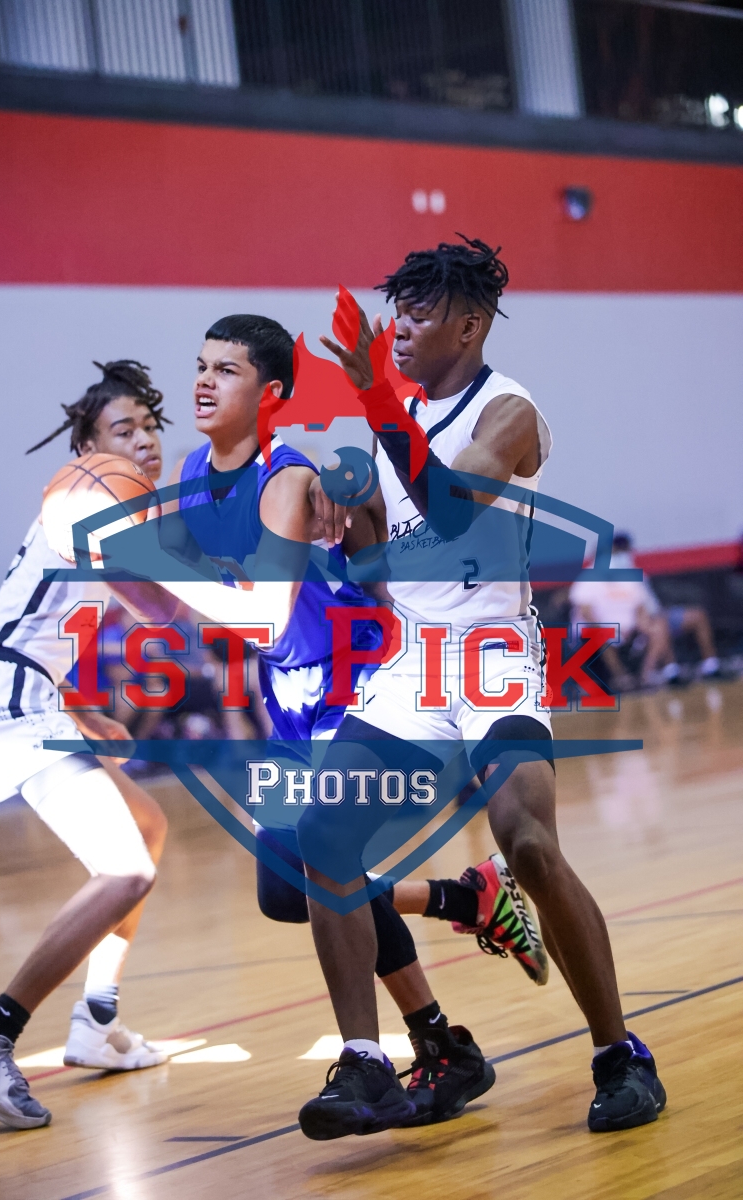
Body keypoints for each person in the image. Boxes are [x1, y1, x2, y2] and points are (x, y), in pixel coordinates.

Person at [110, 314, 547, 1130]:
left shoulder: (287, 479)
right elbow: (168, 609)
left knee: (315, 872)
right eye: (200, 365)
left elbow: (268, 617)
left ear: (271, 394)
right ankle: (460, 925)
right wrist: (113, 557)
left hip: (357, 681)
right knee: (286, 893)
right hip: (291, 698)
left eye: (227, 370)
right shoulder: (193, 471)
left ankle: (393, 1049)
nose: (203, 381)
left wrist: (158, 560)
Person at [297, 236, 666, 1139]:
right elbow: (381, 556)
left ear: (469, 325)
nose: (399, 331)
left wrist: (374, 401)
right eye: (397, 314)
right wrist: (333, 516)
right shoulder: (396, 422)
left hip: (495, 656)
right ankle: (367, 1063)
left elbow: (455, 509)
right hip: (414, 664)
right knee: (322, 836)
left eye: (419, 315)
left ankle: (621, 1056)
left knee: (529, 845)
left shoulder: (510, 409)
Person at [0, 362, 174, 1130]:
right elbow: (161, 610)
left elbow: (38, 620)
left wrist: (79, 710)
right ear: (88, 449)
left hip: (21, 690)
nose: (143, 440)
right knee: (125, 870)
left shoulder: (93, 512)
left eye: (149, 426)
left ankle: (97, 1020)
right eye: (123, 429)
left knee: (147, 825)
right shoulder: (87, 498)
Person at [571, 533, 723, 689]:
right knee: (602, 635)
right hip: (600, 630)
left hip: (634, 627)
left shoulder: (629, 576)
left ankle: (649, 675)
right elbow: (586, 613)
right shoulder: (587, 579)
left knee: (659, 626)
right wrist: (610, 629)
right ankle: (622, 678)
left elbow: (640, 607)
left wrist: (641, 625)